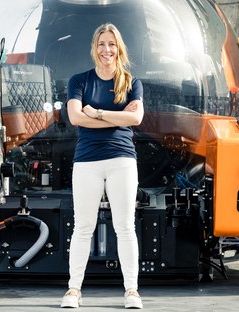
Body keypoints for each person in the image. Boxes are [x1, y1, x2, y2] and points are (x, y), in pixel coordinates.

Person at [61, 23, 144, 309]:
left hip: (122, 159)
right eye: (101, 44)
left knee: (124, 227)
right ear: (94, 49)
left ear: (118, 48)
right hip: (86, 161)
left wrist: (96, 113)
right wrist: (117, 116)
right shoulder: (79, 80)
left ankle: (131, 291)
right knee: (83, 227)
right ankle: (73, 291)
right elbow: (75, 119)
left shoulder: (131, 82)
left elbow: (136, 120)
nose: (106, 49)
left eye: (111, 44)